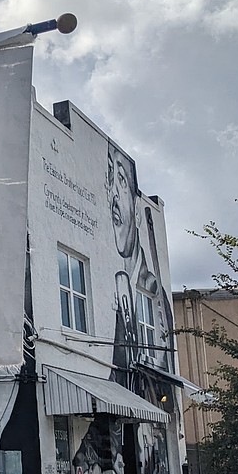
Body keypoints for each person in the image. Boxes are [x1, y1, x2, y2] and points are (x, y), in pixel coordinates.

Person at [107, 143, 173, 396]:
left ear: (136, 209)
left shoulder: (153, 288)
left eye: (121, 181)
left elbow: (162, 383)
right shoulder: (119, 284)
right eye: (110, 177)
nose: (113, 195)